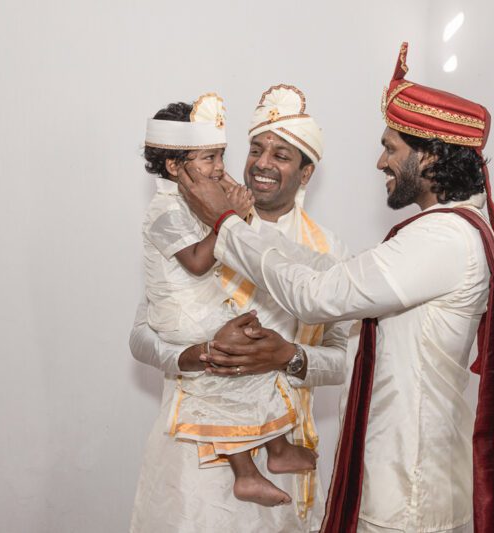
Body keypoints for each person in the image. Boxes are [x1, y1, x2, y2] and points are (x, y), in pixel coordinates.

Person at [177, 43, 494, 533]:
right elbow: (334, 274)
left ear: (431, 156)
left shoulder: (442, 237)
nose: (380, 162)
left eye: (391, 148)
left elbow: (316, 298)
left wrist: (226, 225)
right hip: (404, 479)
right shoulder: (444, 230)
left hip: (410, 494)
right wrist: (246, 227)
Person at [129, 85, 350, 532]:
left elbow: (342, 359)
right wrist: (197, 355)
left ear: (306, 174)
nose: (263, 164)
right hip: (193, 464)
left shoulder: (326, 251)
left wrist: (288, 356)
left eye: (282, 155)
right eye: (255, 149)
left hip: (281, 459)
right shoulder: (192, 222)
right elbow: (142, 334)